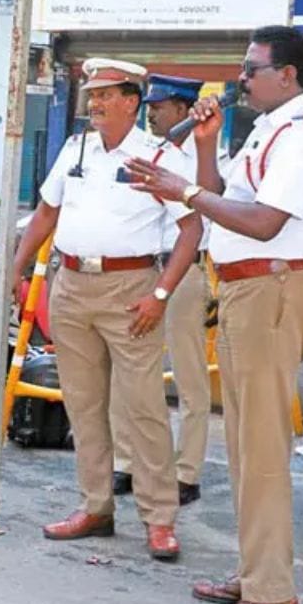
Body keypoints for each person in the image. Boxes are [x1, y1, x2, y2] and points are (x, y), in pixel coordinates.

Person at [127, 25, 303, 604]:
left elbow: (265, 221)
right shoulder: (270, 130)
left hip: (273, 286)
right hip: (248, 289)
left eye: (251, 68)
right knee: (244, 446)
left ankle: (273, 594)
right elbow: (220, 196)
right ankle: (255, 574)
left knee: (264, 449)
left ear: (287, 75)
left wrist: (183, 188)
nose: (240, 79)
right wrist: (203, 149)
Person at [12, 58, 203, 562]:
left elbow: (191, 230)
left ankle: (159, 518)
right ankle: (96, 506)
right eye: (91, 94)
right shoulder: (77, 148)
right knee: (83, 403)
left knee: (142, 408)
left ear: (131, 102)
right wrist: (18, 264)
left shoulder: (159, 154)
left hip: (131, 287)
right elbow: (47, 211)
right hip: (71, 282)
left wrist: (160, 294)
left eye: (105, 94)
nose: (93, 103)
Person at [111, 74, 211, 506]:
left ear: (184, 109)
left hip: (185, 268)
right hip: (145, 267)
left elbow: (216, 207)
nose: (150, 113)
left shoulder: (207, 153)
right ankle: (126, 463)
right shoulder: (142, 151)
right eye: (149, 106)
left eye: (159, 106)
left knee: (189, 375)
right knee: (128, 372)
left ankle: (187, 471)